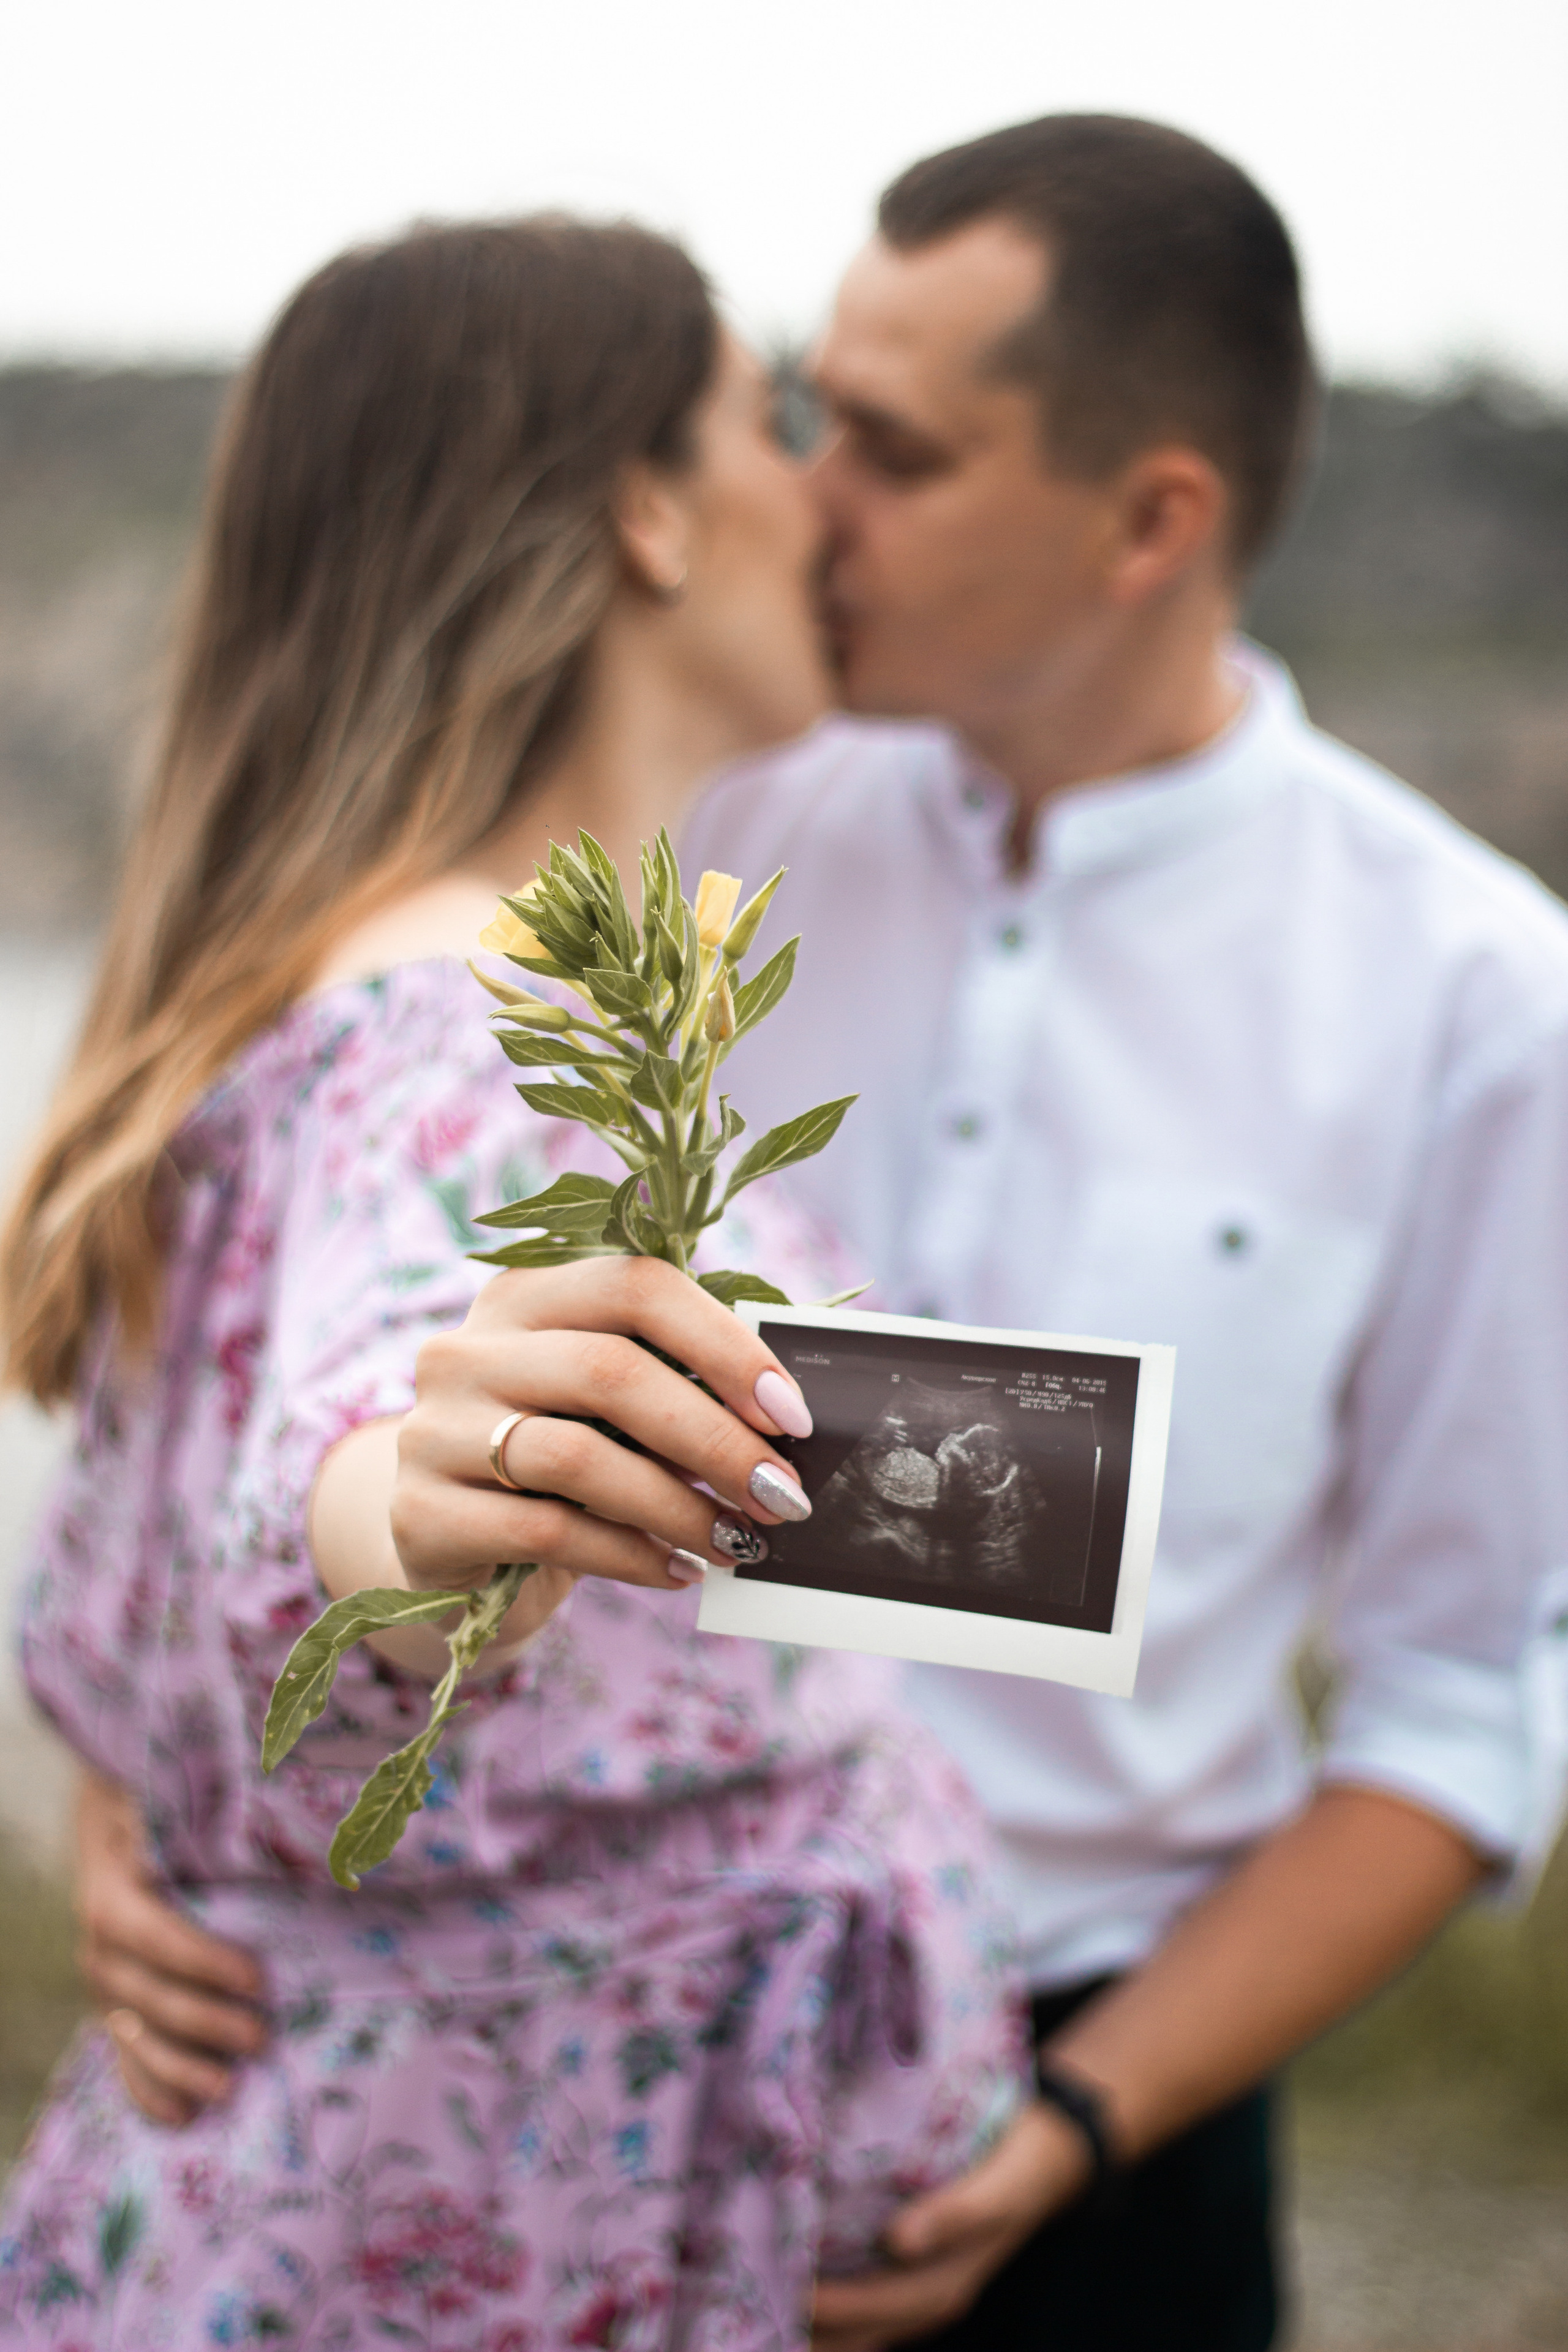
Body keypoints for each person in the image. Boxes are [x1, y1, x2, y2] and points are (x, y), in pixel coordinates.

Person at [0, 218, 1025, 2350]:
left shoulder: (324, 977)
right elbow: (366, 1440)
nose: (815, 486)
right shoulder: (474, 1019)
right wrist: (418, 1506)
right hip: (472, 2231)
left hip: (335, 2184)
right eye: (766, 418)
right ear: (647, 509)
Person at [678, 116, 1568, 2348]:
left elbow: (1458, 1705)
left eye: (891, 449)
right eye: (807, 414)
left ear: (1150, 520)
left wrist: (1075, 2128)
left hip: (1103, 2132)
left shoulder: (1480, 1001)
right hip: (606, 2051)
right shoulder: (693, 838)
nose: (804, 500)